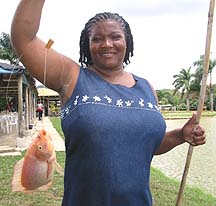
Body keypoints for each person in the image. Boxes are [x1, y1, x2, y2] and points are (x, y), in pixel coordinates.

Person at [10, 1, 206, 205]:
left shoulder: (147, 88)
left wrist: (180, 135)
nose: (106, 44)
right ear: (87, 45)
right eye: (97, 39)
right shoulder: (71, 76)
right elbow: (24, 38)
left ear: (127, 42)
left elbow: (145, 145)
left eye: (115, 37)